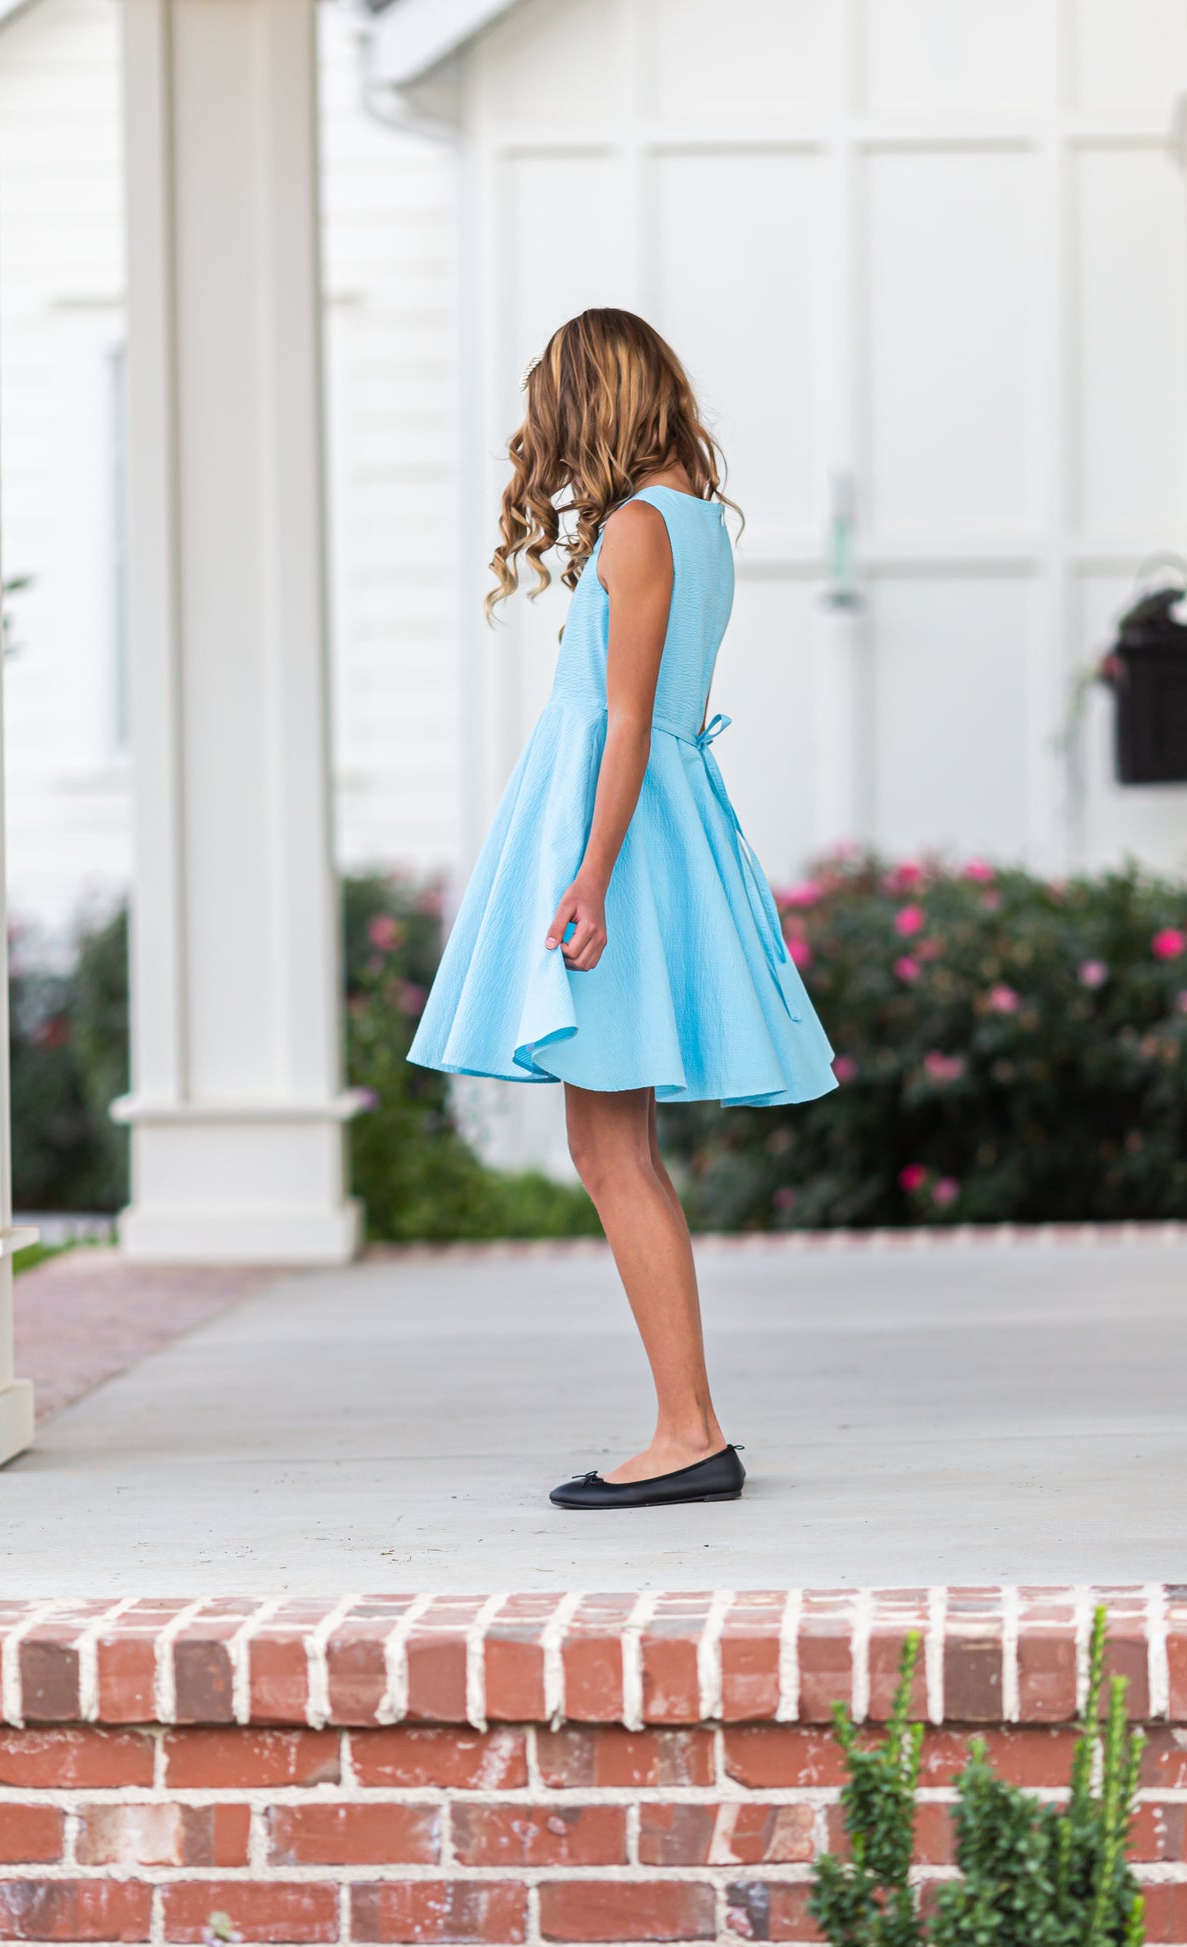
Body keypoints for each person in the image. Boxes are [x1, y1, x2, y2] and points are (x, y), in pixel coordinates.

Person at [408, 307, 837, 1510]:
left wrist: (588, 876)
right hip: (645, 829)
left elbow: (629, 718)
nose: (537, 427)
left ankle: (686, 1429)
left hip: (624, 843)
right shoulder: (687, 520)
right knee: (610, 1145)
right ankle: (684, 1423)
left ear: (590, 402)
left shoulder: (643, 528)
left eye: (552, 400)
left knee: (609, 1148)